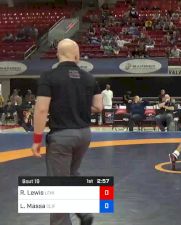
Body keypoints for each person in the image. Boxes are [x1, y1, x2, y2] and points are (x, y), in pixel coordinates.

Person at [31, 39, 103, 225]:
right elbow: (98, 107)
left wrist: (37, 139)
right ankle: (83, 210)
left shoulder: (49, 77)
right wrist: (76, 105)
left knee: (57, 186)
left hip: (62, 136)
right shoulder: (89, 78)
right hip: (84, 135)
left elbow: (40, 110)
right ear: (77, 55)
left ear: (57, 55)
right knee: (71, 173)